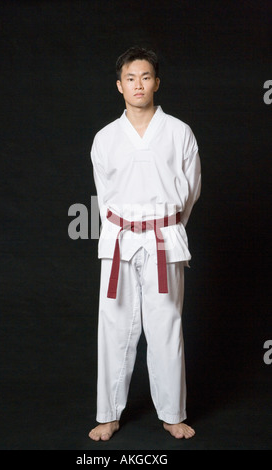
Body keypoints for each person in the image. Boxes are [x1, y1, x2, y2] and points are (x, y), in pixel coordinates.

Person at [89, 46, 201, 441]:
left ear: (157, 82)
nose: (139, 84)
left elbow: (190, 192)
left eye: (146, 77)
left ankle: (172, 413)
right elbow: (104, 198)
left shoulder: (179, 132)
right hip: (119, 239)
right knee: (114, 326)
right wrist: (128, 227)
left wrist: (166, 225)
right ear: (120, 86)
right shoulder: (105, 138)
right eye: (131, 78)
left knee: (166, 326)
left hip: (164, 238)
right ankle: (108, 413)